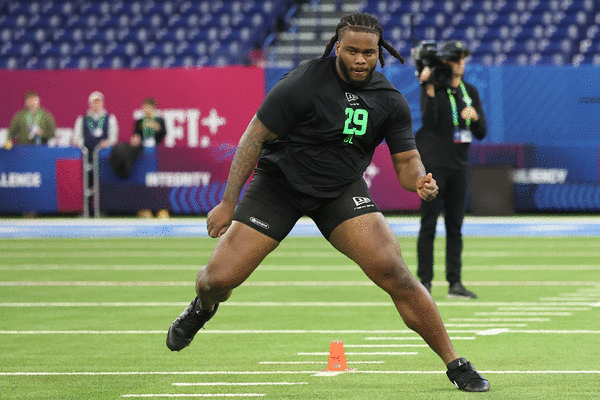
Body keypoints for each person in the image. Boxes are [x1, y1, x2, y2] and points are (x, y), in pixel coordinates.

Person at [166, 13, 489, 393]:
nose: (360, 59)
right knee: (217, 280)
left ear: (380, 52)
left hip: (340, 190)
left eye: (368, 53)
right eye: (351, 50)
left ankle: (455, 362)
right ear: (337, 47)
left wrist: (419, 180)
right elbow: (253, 137)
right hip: (278, 186)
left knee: (395, 270)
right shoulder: (302, 82)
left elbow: (406, 161)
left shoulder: (389, 100)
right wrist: (227, 203)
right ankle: (202, 308)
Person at [415, 41, 487, 300]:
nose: (461, 63)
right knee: (429, 225)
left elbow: (481, 132)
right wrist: (428, 89)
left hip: (459, 166)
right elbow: (429, 122)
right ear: (446, 62)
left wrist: (475, 116)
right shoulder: (434, 86)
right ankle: (424, 283)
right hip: (434, 166)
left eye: (463, 58)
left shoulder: (470, 91)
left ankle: (455, 283)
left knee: (455, 226)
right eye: (457, 58)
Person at [73, 91, 119, 217]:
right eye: (94, 102)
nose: (96, 105)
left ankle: (102, 209)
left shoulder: (110, 118)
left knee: (102, 182)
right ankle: (86, 210)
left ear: (102, 103)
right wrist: (83, 144)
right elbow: (76, 138)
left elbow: (114, 138)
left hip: (103, 156)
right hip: (86, 156)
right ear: (90, 104)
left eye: (98, 102)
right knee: (86, 182)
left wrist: (107, 143)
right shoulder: (82, 119)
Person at [131, 97, 168, 218]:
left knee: (156, 182)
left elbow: (163, 134)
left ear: (153, 108)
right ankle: (144, 208)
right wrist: (135, 140)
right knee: (143, 181)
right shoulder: (139, 121)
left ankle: (160, 209)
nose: (146, 109)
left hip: (156, 154)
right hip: (142, 155)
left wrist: (157, 128)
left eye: (148, 107)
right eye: (144, 107)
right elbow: (135, 135)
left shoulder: (159, 120)